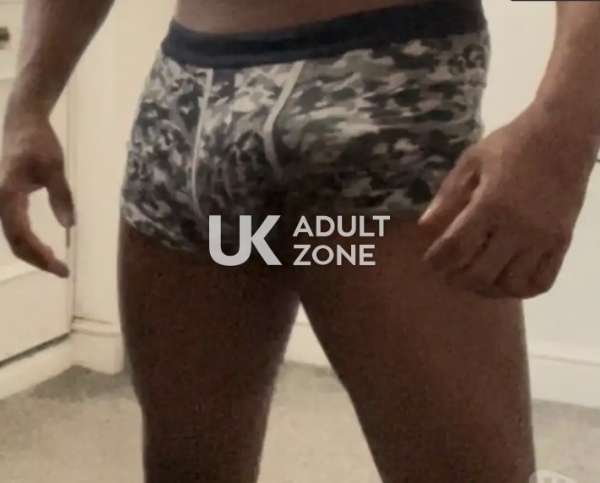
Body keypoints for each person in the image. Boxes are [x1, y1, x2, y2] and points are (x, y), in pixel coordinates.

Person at [1, 0, 598, 481]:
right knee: (187, 470)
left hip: (375, 96)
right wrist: (28, 102)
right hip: (186, 109)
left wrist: (564, 130)